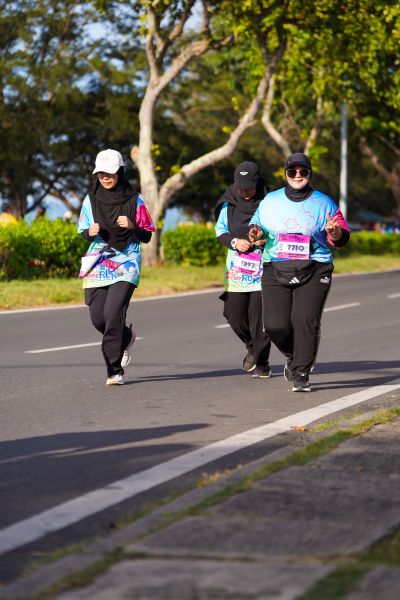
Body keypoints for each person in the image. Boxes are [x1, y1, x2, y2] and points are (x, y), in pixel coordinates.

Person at [248, 152, 350, 392]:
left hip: (315, 267)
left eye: (302, 171)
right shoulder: (270, 200)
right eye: (292, 171)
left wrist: (334, 233)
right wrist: (254, 232)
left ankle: (301, 373)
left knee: (305, 321)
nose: (297, 175)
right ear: (285, 174)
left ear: (309, 174)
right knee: (274, 325)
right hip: (275, 266)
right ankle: (295, 355)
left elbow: (341, 237)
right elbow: (256, 225)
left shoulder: (324, 203)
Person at [78, 149, 155, 386]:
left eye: (109, 173)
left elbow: (147, 235)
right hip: (98, 262)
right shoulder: (90, 199)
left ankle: (114, 371)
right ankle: (125, 336)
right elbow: (83, 230)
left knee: (113, 313)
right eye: (101, 173)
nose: (105, 177)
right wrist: (89, 232)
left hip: (126, 262)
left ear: (120, 172)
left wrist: (132, 226)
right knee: (98, 319)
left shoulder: (134, 200)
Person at [215, 161, 272, 378]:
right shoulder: (228, 203)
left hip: (263, 268)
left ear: (258, 183)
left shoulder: (269, 203)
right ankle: (252, 347)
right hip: (236, 269)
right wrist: (234, 242)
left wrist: (265, 240)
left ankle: (262, 363)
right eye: (241, 187)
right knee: (234, 315)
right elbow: (220, 231)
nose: (245, 192)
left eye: (249, 187)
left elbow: (280, 230)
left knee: (258, 320)